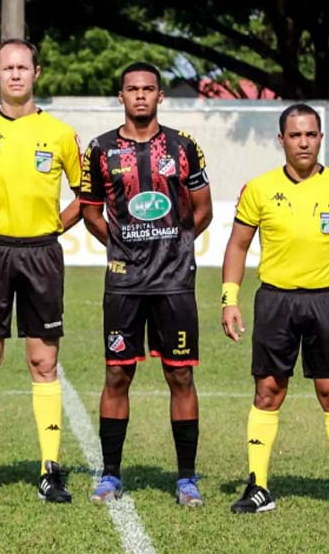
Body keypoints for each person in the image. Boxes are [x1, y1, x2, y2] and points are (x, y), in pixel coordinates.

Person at [222, 103, 329, 515]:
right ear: (282, 140)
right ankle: (258, 485)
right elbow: (238, 245)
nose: (304, 142)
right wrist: (230, 299)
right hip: (275, 301)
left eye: (310, 134)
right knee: (268, 391)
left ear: (321, 138)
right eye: (295, 135)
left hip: (326, 302)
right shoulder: (258, 188)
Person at [0, 38, 82, 503]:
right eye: (8, 68)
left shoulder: (62, 134)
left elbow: (86, 194)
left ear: (36, 73)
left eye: (23, 67)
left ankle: (50, 467)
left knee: (43, 361)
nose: (16, 75)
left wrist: (53, 228)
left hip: (42, 254)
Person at [80, 62, 212, 507]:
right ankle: (111, 475)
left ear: (160, 96)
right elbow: (90, 211)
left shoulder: (184, 146)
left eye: (148, 89)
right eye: (132, 89)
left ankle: (187, 479)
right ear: (121, 96)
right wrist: (120, 244)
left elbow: (203, 208)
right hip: (124, 282)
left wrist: (174, 242)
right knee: (117, 373)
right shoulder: (99, 150)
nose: (140, 96)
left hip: (174, 281)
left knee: (180, 375)